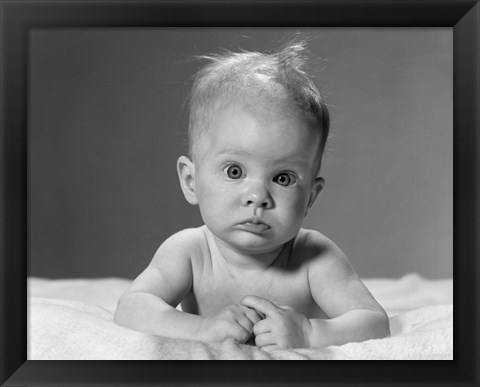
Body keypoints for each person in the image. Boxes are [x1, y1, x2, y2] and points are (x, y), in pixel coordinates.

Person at [114, 39, 390, 350]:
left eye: (283, 178)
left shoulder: (315, 257)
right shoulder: (191, 251)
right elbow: (132, 308)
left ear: (310, 197)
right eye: (235, 171)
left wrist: (310, 333)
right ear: (191, 180)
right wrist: (202, 328)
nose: (258, 196)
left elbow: (373, 321)